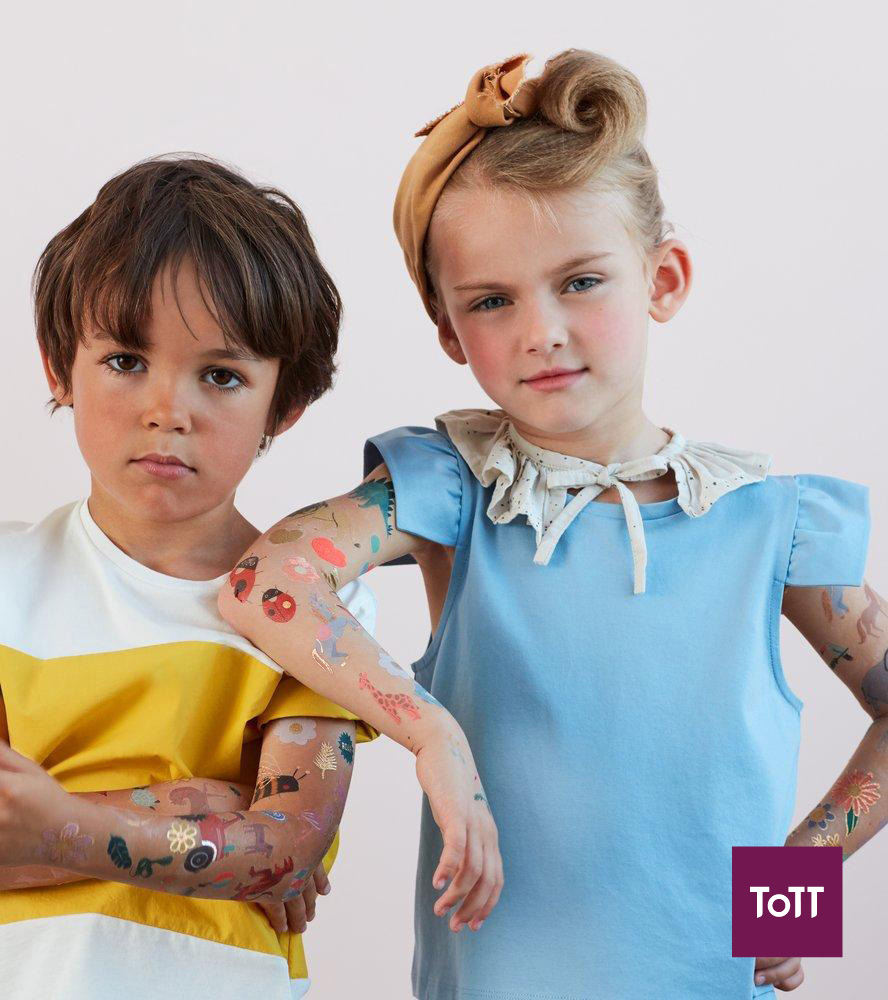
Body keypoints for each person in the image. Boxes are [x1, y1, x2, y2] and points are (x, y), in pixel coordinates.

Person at [207, 52, 883, 998]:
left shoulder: (773, 525)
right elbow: (262, 581)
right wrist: (432, 736)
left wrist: (794, 889)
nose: (541, 330)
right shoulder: (451, 491)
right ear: (450, 331)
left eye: (581, 281)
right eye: (492, 300)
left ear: (663, 278)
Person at [0, 155, 380, 1000]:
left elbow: (287, 851)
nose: (168, 410)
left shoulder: (315, 605)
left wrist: (54, 824)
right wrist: (202, 807)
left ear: (284, 406)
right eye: (125, 360)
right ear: (59, 367)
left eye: (221, 375)